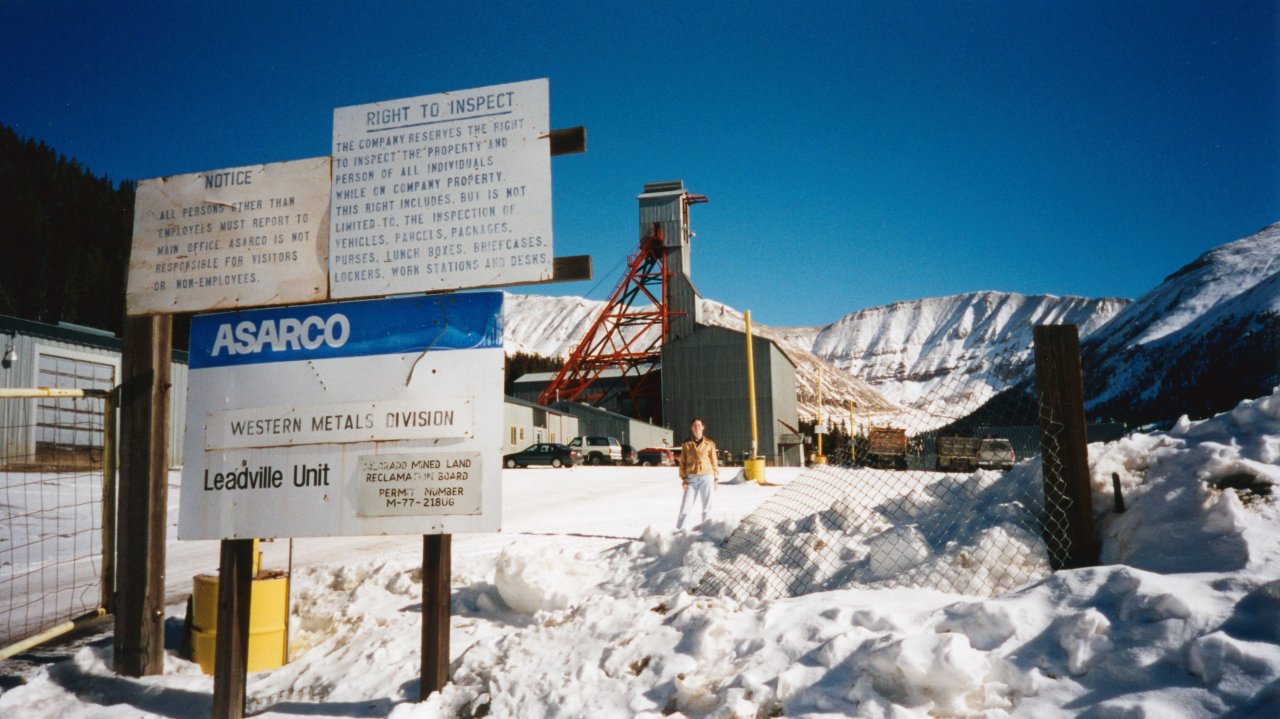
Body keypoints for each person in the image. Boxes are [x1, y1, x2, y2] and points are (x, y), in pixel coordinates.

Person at [677, 417, 719, 529]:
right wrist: (684, 479)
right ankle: (679, 532)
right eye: (695, 426)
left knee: (707, 507)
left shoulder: (709, 444)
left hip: (707, 476)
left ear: (703, 427)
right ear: (692, 428)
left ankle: (707, 530)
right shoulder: (686, 444)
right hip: (692, 479)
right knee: (685, 506)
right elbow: (683, 462)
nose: (697, 428)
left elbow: (714, 462)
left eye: (699, 425)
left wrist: (715, 479)